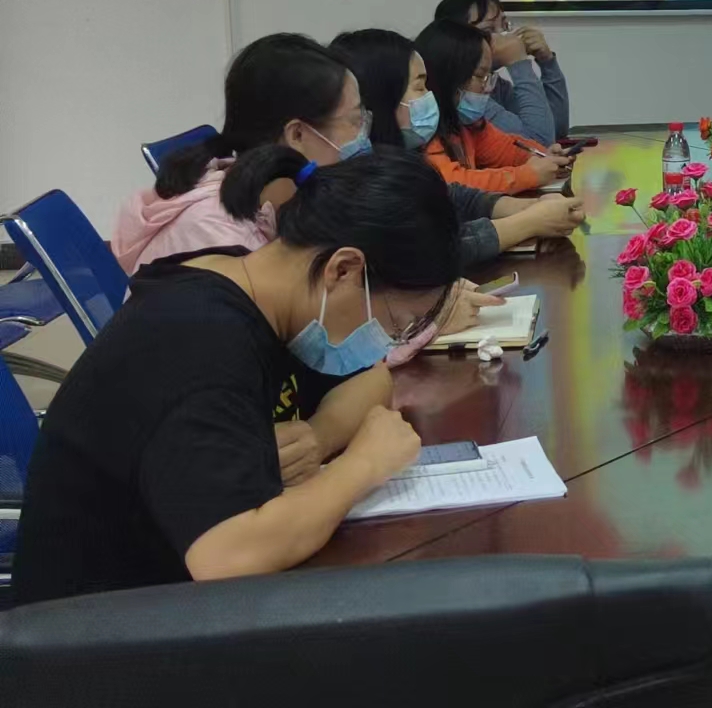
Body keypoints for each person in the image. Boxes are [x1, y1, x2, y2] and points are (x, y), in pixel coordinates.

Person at [13, 146, 458, 602]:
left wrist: (319, 436)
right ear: (343, 270)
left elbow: (372, 379)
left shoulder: (266, 291)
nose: (388, 341)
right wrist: (362, 465)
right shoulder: (197, 341)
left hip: (167, 596)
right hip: (98, 626)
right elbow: (229, 557)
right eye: (395, 323)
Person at [113, 34, 369, 275]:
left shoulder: (266, 196)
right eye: (355, 121)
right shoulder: (226, 242)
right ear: (298, 135)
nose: (363, 135)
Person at [330, 29, 586, 265]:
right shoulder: (351, 183)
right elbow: (430, 248)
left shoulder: (404, 155)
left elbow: (449, 194)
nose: (429, 96)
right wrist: (530, 220)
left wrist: (527, 207)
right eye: (420, 87)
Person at [416, 18, 574, 194]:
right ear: (449, 77)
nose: (487, 87)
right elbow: (452, 183)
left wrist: (544, 157)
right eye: (480, 76)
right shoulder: (423, 128)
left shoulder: (468, 123)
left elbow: (509, 150)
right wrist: (529, 174)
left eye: (488, 76)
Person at [435, 0, 569, 145]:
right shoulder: (465, 93)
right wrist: (519, 64)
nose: (507, 36)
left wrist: (547, 61)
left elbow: (556, 129)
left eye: (505, 25)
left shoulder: (497, 85)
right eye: (489, 30)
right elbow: (540, 143)